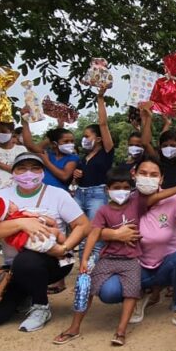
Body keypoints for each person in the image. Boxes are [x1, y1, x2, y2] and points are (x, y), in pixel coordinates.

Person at [53, 164, 176, 346]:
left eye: (125, 188)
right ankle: (74, 327)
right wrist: (84, 259)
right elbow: (93, 234)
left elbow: (158, 196)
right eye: (116, 188)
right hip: (108, 259)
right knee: (87, 288)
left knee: (131, 293)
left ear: (131, 189)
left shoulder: (137, 204)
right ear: (107, 190)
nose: (121, 192)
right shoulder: (103, 211)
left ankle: (121, 330)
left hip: (131, 260)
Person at [0, 152, 90, 331]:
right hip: (13, 267)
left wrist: (64, 247)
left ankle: (41, 307)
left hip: (55, 260)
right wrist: (21, 223)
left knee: (27, 261)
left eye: (35, 168)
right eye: (22, 168)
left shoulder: (58, 194)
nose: (29, 173)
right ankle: (27, 292)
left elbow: (83, 225)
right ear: (13, 172)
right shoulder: (1, 196)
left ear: (43, 172)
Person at [94, 160, 176, 334]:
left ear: (161, 179)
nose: (148, 178)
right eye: (143, 173)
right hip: (134, 267)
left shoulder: (175, 200)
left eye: (154, 175)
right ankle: (139, 293)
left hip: (167, 265)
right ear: (134, 175)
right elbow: (95, 230)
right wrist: (115, 234)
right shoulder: (124, 200)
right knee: (108, 292)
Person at [72, 91, 117, 261]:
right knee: (82, 236)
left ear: (98, 139)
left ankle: (96, 272)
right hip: (79, 194)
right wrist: (76, 175)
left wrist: (100, 98)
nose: (83, 139)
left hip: (97, 195)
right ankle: (84, 273)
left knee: (95, 236)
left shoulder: (106, 152)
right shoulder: (84, 158)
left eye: (86, 136)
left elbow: (103, 124)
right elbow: (76, 179)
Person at [142, 102, 176, 189]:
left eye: (173, 145)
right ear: (160, 147)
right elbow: (145, 143)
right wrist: (148, 118)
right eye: (165, 146)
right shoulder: (157, 159)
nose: (169, 147)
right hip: (160, 200)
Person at [20, 121, 78, 189]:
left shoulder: (73, 158)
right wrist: (25, 122)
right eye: (66, 141)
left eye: (72, 141)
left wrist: (47, 162)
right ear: (54, 144)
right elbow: (30, 146)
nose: (70, 144)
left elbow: (64, 176)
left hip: (58, 195)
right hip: (40, 192)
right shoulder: (48, 154)